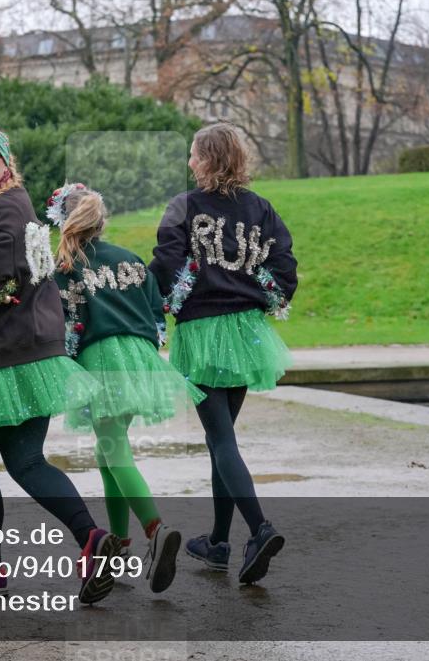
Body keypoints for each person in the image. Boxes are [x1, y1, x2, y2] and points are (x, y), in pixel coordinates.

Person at [0, 125, 123, 605]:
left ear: (5, 163)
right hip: (25, 349)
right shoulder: (9, 204)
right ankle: (92, 540)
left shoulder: (7, 207)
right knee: (26, 460)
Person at [149, 123, 296, 585]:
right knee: (222, 438)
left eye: (194, 155)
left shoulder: (185, 206)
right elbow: (284, 265)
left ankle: (260, 528)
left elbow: (166, 262)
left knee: (220, 440)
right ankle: (218, 542)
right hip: (249, 332)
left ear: (209, 158)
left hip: (203, 330)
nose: (190, 163)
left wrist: (159, 302)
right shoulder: (261, 208)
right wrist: (266, 294)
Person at [50, 182, 205, 593]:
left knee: (115, 451)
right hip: (141, 359)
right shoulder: (131, 259)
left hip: (102, 359)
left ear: (62, 220)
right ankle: (118, 545)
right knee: (108, 453)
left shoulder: (63, 266)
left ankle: (156, 530)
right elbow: (156, 312)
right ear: (101, 220)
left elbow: (64, 325)